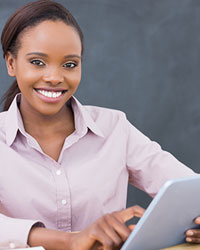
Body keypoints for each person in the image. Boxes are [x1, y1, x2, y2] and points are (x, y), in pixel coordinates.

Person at [0, 0, 199, 249]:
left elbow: (188, 189)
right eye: (37, 62)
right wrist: (71, 241)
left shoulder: (115, 127)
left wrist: (195, 219)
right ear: (11, 63)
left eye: (70, 64)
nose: (54, 77)